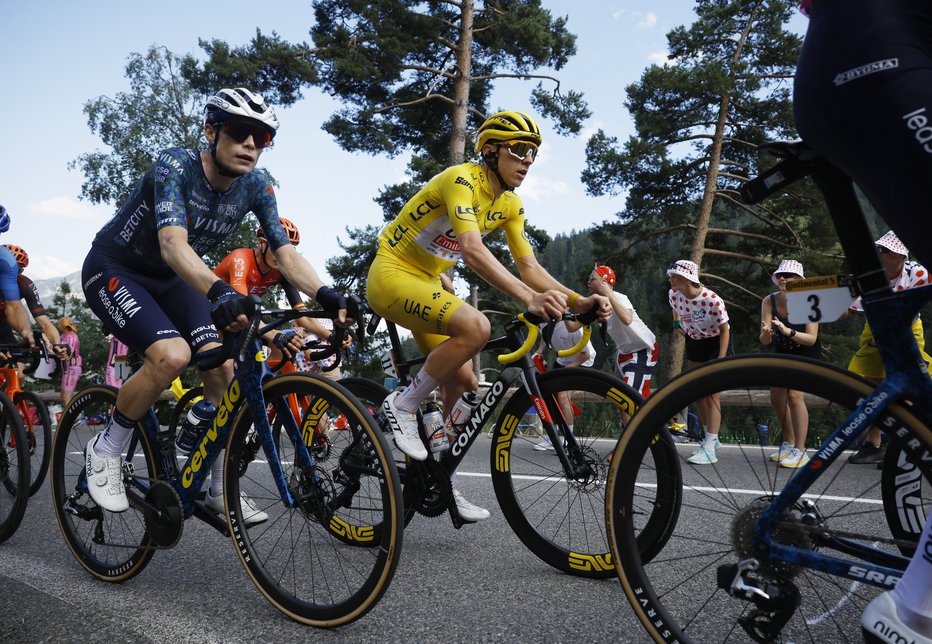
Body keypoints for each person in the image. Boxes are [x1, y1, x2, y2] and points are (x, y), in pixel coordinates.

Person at [80, 87, 348, 525]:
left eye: (261, 138)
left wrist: (326, 294)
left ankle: (224, 487)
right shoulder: (175, 165)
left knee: (223, 371)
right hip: (117, 268)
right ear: (211, 131)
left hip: (174, 279)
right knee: (171, 355)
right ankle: (105, 447)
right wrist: (219, 291)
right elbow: (172, 245)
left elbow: (285, 255)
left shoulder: (257, 185)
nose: (250, 145)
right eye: (241, 132)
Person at [366, 110, 610, 521]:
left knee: (463, 387)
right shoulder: (461, 179)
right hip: (392, 274)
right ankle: (403, 405)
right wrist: (530, 299)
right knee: (477, 326)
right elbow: (474, 251)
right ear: (491, 150)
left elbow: (529, 267)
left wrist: (576, 301)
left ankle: (440, 480)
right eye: (518, 150)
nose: (527, 160)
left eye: (532, 152)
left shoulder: (510, 204)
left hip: (430, 282)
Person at [794, 5, 932, 639]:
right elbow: (839, 300)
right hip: (873, 50)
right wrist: (788, 314)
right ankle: (917, 610)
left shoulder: (905, 267)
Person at [845, 232, 930, 464]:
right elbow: (847, 308)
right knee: (873, 387)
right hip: (875, 327)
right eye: (879, 250)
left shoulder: (918, 273)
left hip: (908, 327)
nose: (879, 255)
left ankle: (903, 447)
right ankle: (874, 444)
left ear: (901, 256)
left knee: (908, 386)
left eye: (885, 251)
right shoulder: (869, 275)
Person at [212, 217, 336, 361]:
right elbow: (240, 310)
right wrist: (274, 334)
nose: (282, 256)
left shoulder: (280, 270)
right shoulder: (240, 259)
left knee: (284, 346)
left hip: (244, 313)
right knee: (227, 363)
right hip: (214, 308)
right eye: (277, 248)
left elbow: (301, 315)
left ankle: (273, 383)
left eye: (289, 250)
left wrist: (330, 336)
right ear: (261, 243)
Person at [759, 259, 821, 469]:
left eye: (790, 275)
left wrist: (788, 331)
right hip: (783, 350)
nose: (784, 278)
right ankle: (789, 442)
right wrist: (767, 334)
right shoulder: (769, 301)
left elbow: (811, 338)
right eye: (781, 275)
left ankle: (801, 450)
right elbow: (764, 340)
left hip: (806, 351)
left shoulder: (809, 300)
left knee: (795, 396)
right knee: (776, 397)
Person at [667, 259, 730, 465]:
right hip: (694, 341)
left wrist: (721, 358)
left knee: (712, 394)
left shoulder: (712, 300)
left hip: (715, 343)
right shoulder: (674, 294)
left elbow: (725, 330)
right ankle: (711, 437)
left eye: (674, 276)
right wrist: (677, 321)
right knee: (698, 391)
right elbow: (675, 307)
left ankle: (710, 447)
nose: (670, 279)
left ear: (686, 278)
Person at [587, 264, 658, 399]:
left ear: (604, 282)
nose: (588, 281)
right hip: (624, 352)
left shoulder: (619, 297)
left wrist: (608, 294)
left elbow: (627, 319)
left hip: (643, 348)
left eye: (592, 278)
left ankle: (643, 420)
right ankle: (630, 421)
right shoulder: (599, 303)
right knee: (619, 398)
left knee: (630, 398)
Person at [0, 244, 68, 375]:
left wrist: (57, 345)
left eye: (18, 270)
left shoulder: (24, 284)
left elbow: (44, 322)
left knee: (18, 373)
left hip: (3, 326)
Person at [531, 319, 595, 451]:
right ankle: (553, 436)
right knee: (547, 392)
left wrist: (567, 370)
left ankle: (569, 439)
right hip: (562, 360)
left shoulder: (573, 327)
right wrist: (540, 350)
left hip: (583, 362)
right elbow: (545, 333)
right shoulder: (545, 319)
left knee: (563, 397)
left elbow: (586, 354)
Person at [57, 316, 82, 405]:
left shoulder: (72, 337)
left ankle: (70, 418)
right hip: (66, 368)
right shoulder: (63, 336)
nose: (57, 325)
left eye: (59, 324)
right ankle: (72, 417)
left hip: (72, 367)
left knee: (66, 397)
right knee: (63, 396)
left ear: (63, 326)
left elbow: (68, 354)